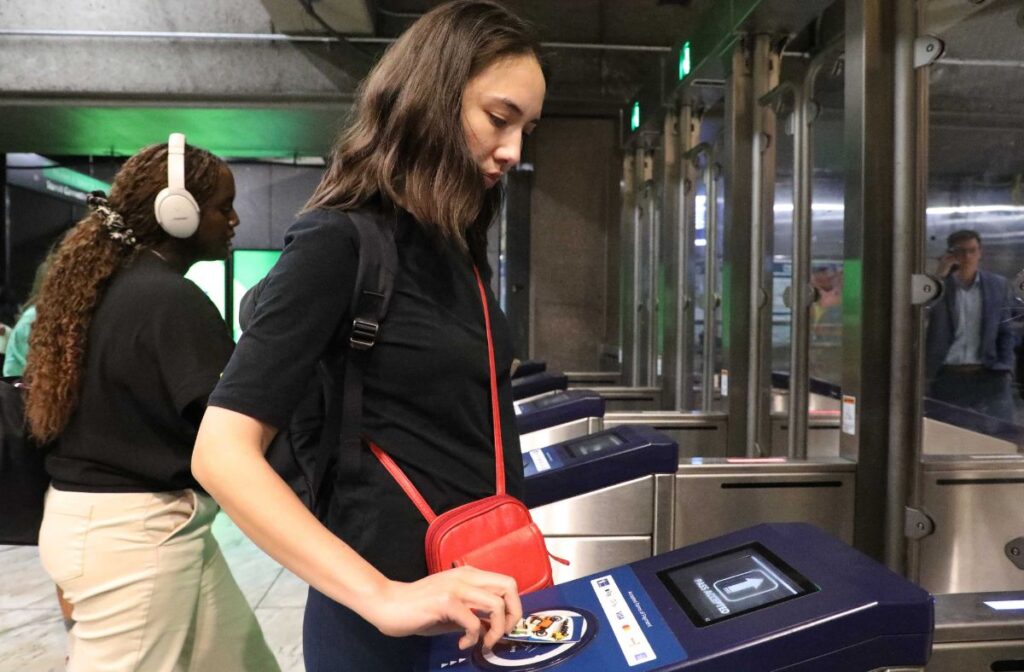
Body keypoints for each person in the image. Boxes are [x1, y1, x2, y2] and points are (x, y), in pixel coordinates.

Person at [191, 2, 546, 670]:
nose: (513, 151)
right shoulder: (341, 241)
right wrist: (383, 597)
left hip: (477, 604)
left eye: (527, 128)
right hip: (383, 632)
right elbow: (222, 452)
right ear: (431, 100)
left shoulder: (458, 249)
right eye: (499, 119)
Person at [25, 139, 280, 671]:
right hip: (134, 538)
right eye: (221, 206)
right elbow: (230, 431)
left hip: (105, 521)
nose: (233, 218)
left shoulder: (102, 287)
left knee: (240, 661)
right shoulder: (169, 300)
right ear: (177, 213)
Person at [925, 229, 1018, 422]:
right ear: (951, 254)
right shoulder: (940, 287)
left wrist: (1006, 366)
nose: (967, 256)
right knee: (945, 434)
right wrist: (939, 277)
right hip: (947, 375)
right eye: (960, 251)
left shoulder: (997, 285)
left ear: (980, 253)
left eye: (972, 250)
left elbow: (1005, 330)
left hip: (989, 374)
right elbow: (921, 315)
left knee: (998, 436)